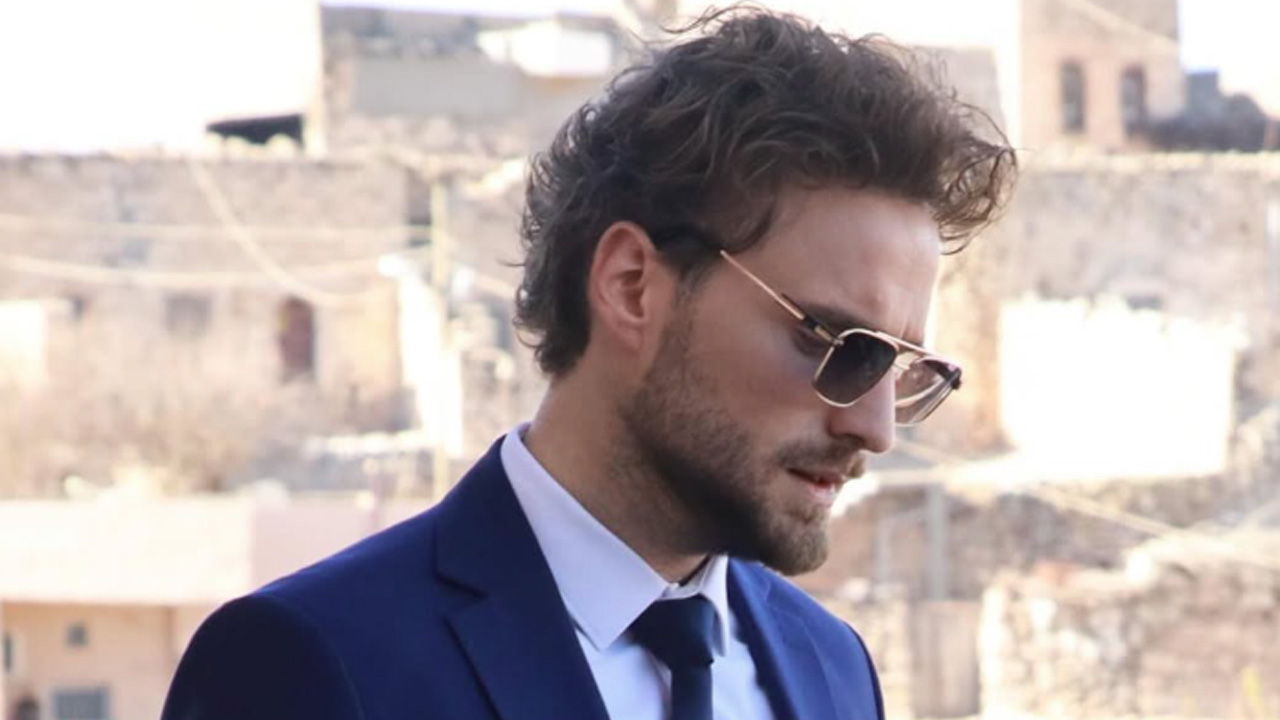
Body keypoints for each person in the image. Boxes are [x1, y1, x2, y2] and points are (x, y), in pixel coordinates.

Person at [161, 8, 1015, 720]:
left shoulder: (831, 671)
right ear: (632, 286)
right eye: (839, 347)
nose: (875, 428)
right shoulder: (312, 665)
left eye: (903, 370)